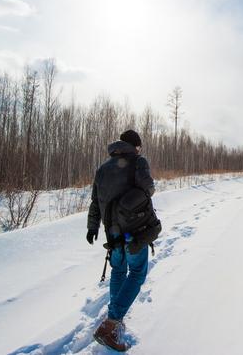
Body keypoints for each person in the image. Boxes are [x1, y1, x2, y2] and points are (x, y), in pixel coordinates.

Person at [86, 129, 156, 352]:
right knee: (137, 272)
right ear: (135, 146)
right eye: (139, 146)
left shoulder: (102, 169)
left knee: (118, 271)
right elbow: (149, 188)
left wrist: (92, 226)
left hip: (112, 232)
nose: (140, 150)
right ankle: (111, 323)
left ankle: (114, 318)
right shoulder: (138, 161)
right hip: (134, 230)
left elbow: (95, 202)